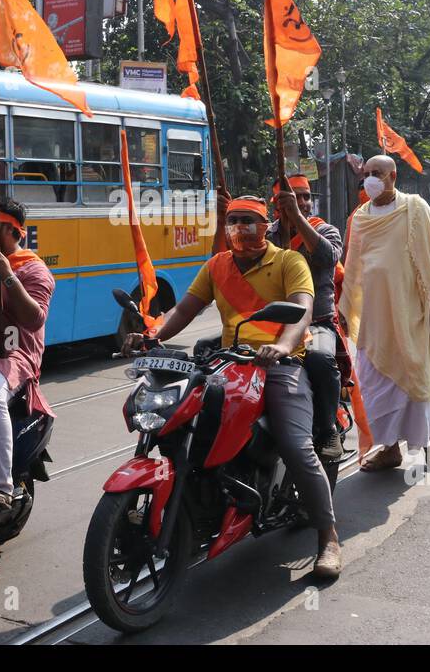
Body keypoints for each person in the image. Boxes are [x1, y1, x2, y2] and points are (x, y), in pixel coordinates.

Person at [126, 195, 342, 578]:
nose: (241, 229)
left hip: (280, 364)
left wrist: (283, 345)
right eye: (234, 222)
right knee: (182, 423)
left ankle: (327, 537)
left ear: (266, 225)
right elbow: (184, 310)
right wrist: (150, 334)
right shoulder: (216, 266)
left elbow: (303, 308)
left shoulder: (290, 261)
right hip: (230, 364)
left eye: (250, 222)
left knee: (296, 445)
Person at [341, 155, 430, 472]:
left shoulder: (416, 208)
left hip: (411, 313)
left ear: (393, 175)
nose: (370, 179)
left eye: (377, 173)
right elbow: (352, 270)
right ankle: (389, 450)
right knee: (376, 385)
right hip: (375, 319)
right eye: (366, 174)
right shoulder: (361, 217)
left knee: (416, 378)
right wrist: (346, 308)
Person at [0, 197, 56, 512]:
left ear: (9, 229)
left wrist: (7, 275)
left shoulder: (34, 270)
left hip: (13, 354)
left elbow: (34, 319)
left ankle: (0, 486)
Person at [267, 174, 347, 460]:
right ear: (275, 204)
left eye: (305, 197)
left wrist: (298, 218)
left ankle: (328, 429)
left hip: (316, 323)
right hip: (271, 323)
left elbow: (327, 258)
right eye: (293, 197)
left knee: (320, 360)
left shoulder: (326, 230)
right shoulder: (266, 235)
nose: (301, 201)